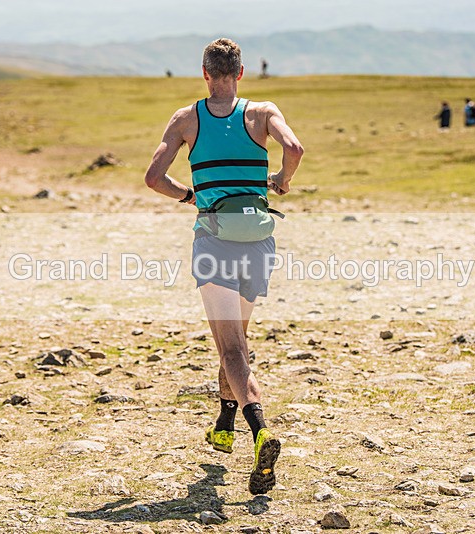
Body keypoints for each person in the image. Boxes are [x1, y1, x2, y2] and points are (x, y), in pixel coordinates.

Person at [144, 38, 303, 495]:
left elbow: (154, 178)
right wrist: (282, 182)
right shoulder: (262, 112)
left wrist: (188, 195)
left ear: (204, 72)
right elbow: (294, 147)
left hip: (214, 238)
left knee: (231, 348)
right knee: (237, 342)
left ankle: (261, 432)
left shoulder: (186, 118)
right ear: (240, 73)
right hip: (258, 239)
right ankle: (224, 424)